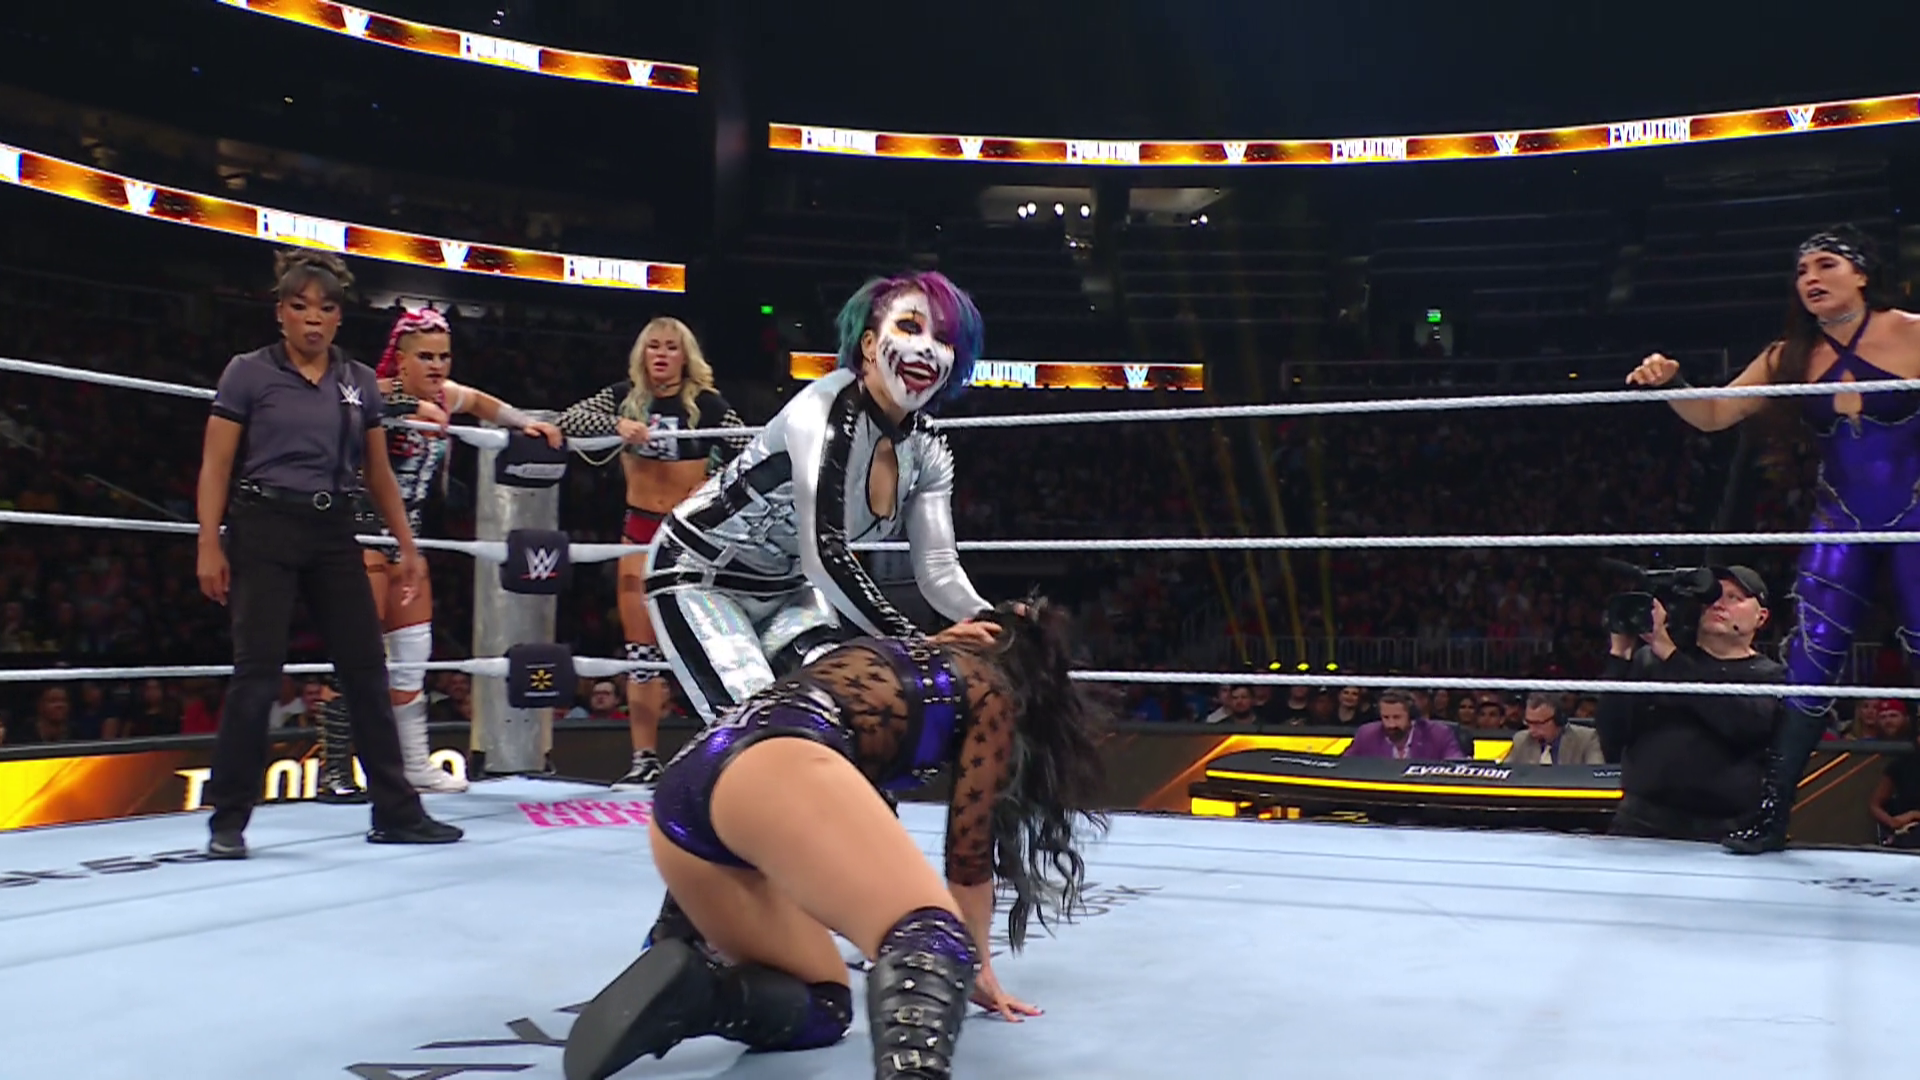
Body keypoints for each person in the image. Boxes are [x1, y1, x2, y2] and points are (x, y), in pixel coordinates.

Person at [560, 599, 1109, 1080]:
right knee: (932, 938)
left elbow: (790, 818)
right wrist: (976, 964)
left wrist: (680, 925)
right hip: (776, 762)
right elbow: (969, 849)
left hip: (684, 798)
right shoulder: (991, 691)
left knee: (825, 1009)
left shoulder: (877, 654)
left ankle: (704, 995)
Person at [1627, 225, 1920, 852]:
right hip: (1839, 524)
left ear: (1862, 274)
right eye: (1802, 270)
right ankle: (1771, 815)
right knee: (1809, 663)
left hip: (1915, 520)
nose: (1810, 278)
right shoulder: (1789, 354)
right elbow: (1714, 414)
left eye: (1826, 264)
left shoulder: (1912, 333)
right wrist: (1671, 383)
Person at [643, 272, 998, 734]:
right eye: (910, 327)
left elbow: (937, 567)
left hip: (790, 589)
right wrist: (918, 645)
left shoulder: (927, 449)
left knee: (851, 717)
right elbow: (824, 555)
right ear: (868, 345)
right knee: (762, 732)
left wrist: (992, 621)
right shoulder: (823, 411)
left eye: (944, 339)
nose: (927, 348)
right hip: (701, 577)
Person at [195, 249, 462, 859]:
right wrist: (209, 540)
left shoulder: (357, 380)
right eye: (300, 307)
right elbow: (215, 463)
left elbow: (378, 471)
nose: (313, 319)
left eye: (325, 308)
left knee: (366, 669)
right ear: (280, 312)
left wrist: (406, 544)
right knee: (257, 673)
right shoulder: (247, 372)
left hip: (334, 526)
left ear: (339, 317)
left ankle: (396, 811)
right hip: (264, 524)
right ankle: (228, 820)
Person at [308, 308, 564, 801]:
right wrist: (409, 405)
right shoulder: (370, 390)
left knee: (412, 656)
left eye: (443, 356)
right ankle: (333, 772)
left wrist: (527, 422)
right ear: (401, 359)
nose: (437, 365)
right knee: (353, 653)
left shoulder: (444, 397)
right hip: (357, 538)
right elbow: (360, 393)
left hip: (409, 543)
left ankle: (412, 765)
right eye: (425, 356)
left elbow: (483, 404)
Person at [556, 318, 749, 789]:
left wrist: (716, 483)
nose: (661, 355)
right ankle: (644, 759)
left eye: (671, 347)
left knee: (708, 648)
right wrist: (616, 424)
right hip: (640, 530)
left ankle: (723, 755)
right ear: (642, 354)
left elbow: (753, 449)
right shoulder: (626, 398)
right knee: (641, 651)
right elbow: (568, 420)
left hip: (690, 534)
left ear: (686, 356)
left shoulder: (706, 404)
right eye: (654, 347)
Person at [1594, 568, 1785, 842]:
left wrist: (1668, 652)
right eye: (1714, 595)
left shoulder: (1770, 676)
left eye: (1734, 597)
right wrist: (1619, 656)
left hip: (1723, 829)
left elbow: (1745, 726)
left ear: (1761, 617)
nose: (1719, 604)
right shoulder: (1653, 661)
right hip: (1641, 822)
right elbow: (1612, 737)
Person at [1342, 690, 1465, 760]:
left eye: (1397, 717)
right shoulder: (1366, 734)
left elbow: (1455, 764)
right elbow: (1345, 764)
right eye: (1386, 717)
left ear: (1411, 716)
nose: (1391, 724)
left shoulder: (1438, 734)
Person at [1505, 692, 1605, 765]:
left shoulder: (1586, 739)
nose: (1532, 730)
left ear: (1559, 719)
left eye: (1538, 724)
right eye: (1528, 722)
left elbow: (1596, 776)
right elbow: (1506, 776)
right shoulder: (1521, 739)